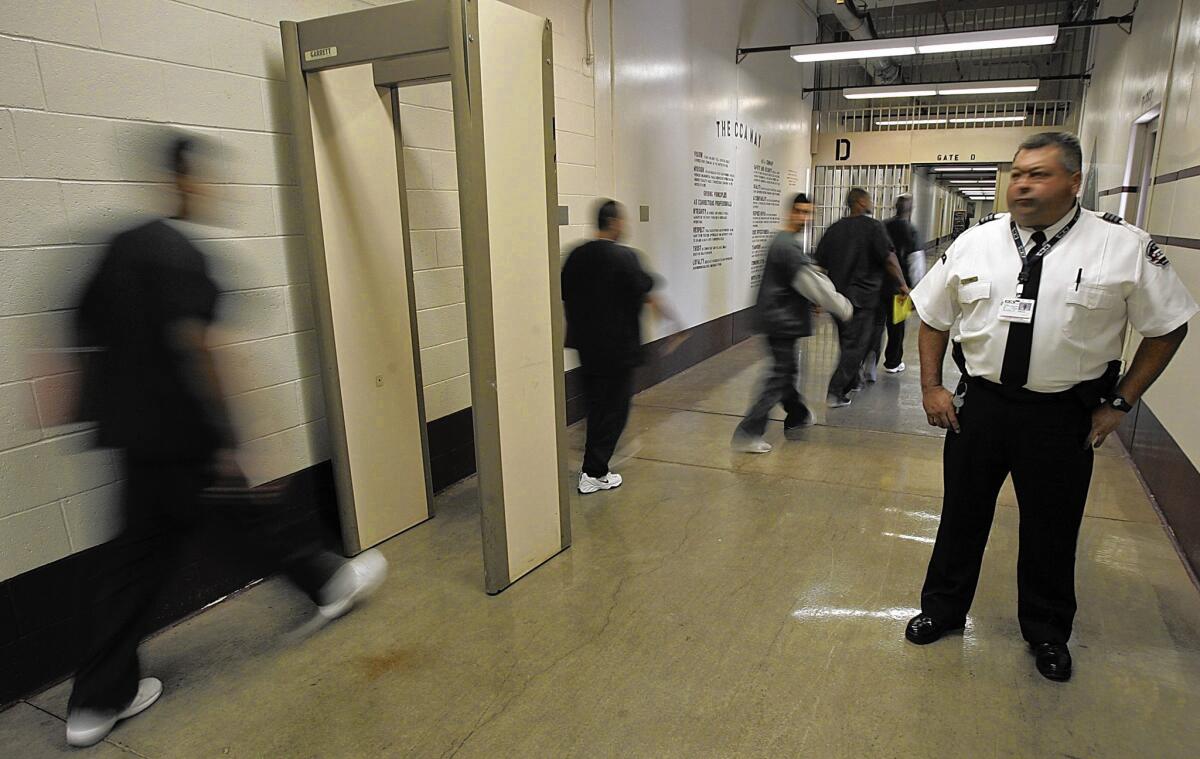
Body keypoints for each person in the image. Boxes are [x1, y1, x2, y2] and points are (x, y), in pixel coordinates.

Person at [65, 134, 388, 748]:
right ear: (182, 181)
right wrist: (242, 436)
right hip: (188, 438)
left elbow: (77, 341)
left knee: (133, 565)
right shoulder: (180, 256)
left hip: (136, 445)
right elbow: (201, 347)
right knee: (252, 519)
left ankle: (95, 704)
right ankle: (330, 582)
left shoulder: (115, 250)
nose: (214, 190)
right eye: (207, 179)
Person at [904, 131, 1197, 682]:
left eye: (1038, 174)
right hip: (981, 409)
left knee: (1052, 529)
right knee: (961, 517)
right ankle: (941, 611)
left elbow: (1168, 327)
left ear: (1075, 182)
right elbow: (932, 315)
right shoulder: (977, 242)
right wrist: (930, 387)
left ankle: (1047, 631)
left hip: (1063, 417)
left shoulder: (1122, 246)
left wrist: (1120, 402)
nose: (1022, 184)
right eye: (1016, 173)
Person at [561, 200, 677, 494]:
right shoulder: (625, 258)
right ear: (613, 223)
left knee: (596, 409)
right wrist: (673, 322)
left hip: (586, 349)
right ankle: (594, 472)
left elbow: (566, 293)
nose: (625, 226)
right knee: (614, 411)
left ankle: (594, 467)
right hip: (617, 352)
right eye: (622, 221)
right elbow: (646, 289)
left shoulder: (575, 256)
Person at [731, 193, 852, 453]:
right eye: (798, 211)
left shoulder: (787, 243)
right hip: (780, 322)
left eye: (807, 212)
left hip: (780, 320)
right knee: (779, 376)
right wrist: (842, 306)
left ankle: (798, 414)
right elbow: (810, 283)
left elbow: (803, 277)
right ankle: (748, 432)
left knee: (785, 373)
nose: (803, 217)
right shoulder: (786, 245)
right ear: (789, 212)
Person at [815, 188, 909, 407]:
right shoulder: (873, 227)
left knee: (848, 343)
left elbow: (820, 265)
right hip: (864, 299)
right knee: (859, 346)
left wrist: (818, 297)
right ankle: (836, 391)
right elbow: (889, 258)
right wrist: (902, 284)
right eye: (869, 199)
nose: (872, 203)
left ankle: (854, 380)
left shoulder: (834, 229)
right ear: (859, 202)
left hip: (838, 299)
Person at [867, 194, 923, 376]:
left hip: (878, 286)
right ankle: (893, 362)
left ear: (895, 207)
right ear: (910, 209)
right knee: (897, 326)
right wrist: (915, 289)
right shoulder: (911, 231)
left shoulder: (881, 226)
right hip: (901, 289)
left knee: (876, 325)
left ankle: (870, 361)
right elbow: (916, 263)